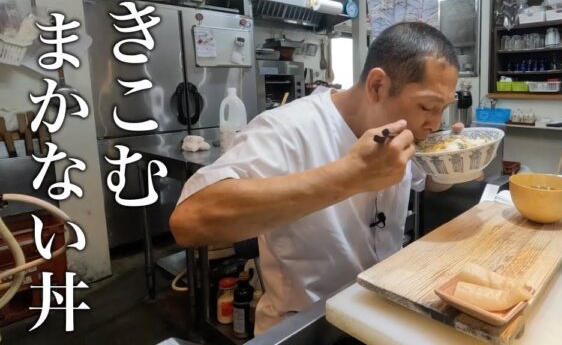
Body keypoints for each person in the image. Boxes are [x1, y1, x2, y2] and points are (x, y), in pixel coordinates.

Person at [170, 21, 463, 332]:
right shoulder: (288, 128)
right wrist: (350, 176)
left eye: (443, 108)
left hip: (380, 314)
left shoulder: (400, 132)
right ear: (378, 86)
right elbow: (190, 221)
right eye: (428, 106)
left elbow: (426, 180)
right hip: (307, 326)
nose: (435, 123)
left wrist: (454, 165)